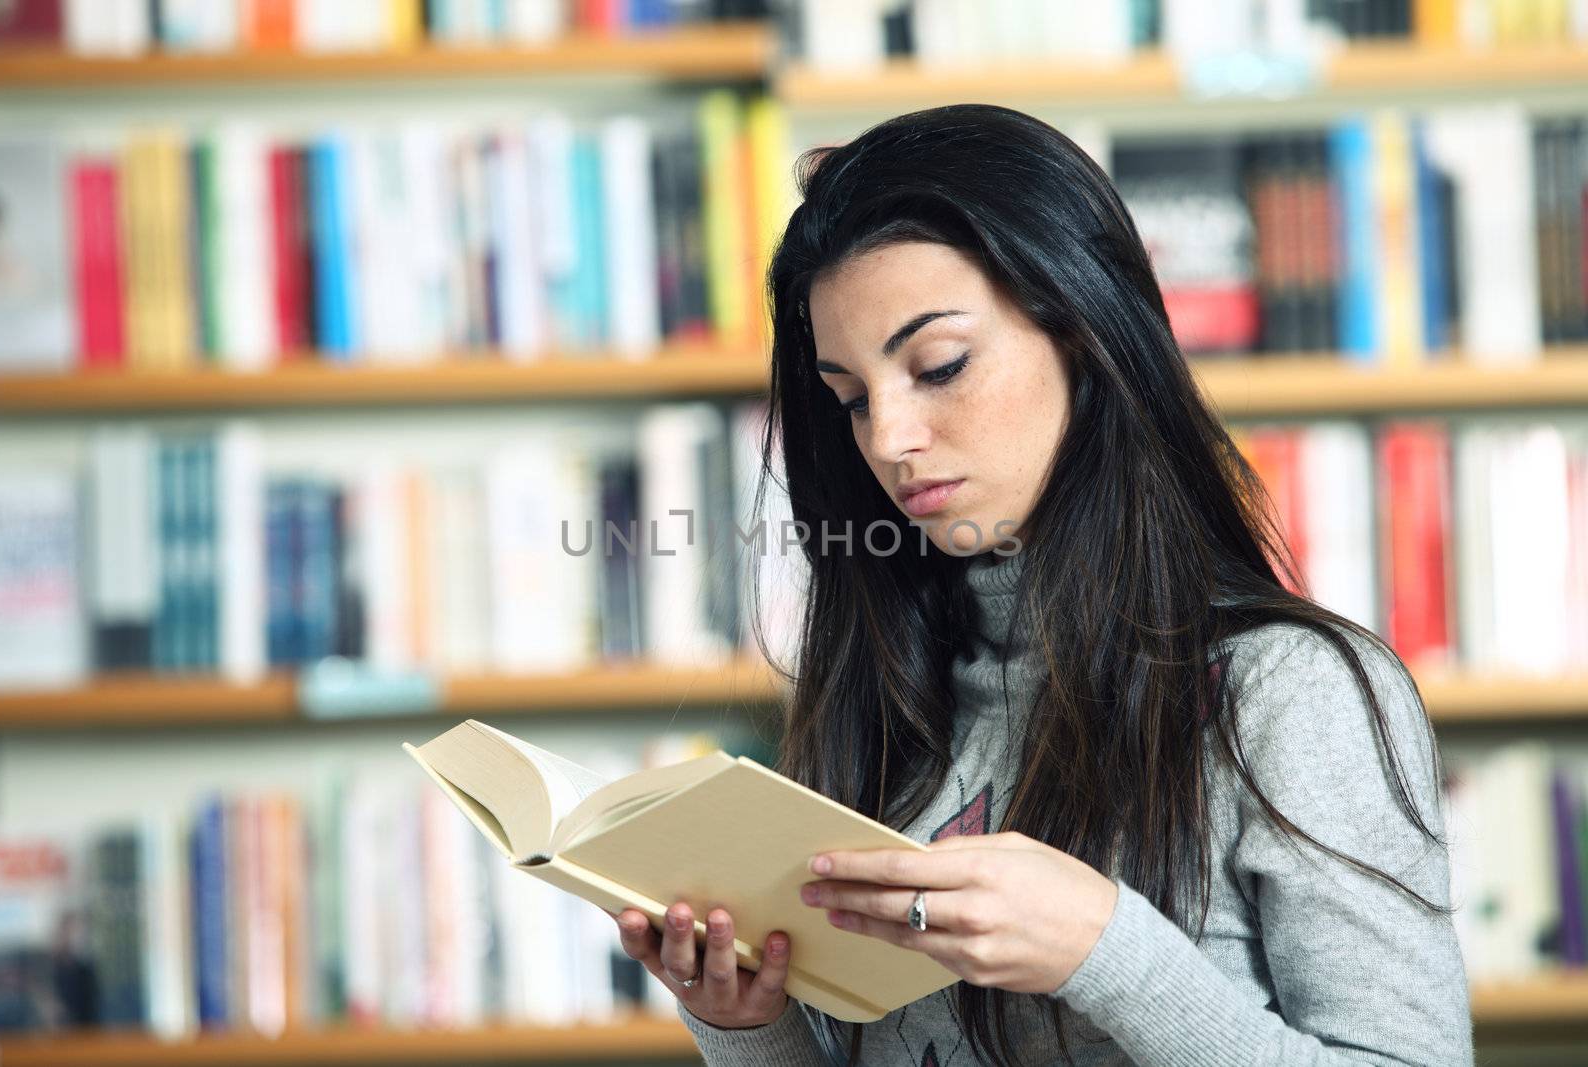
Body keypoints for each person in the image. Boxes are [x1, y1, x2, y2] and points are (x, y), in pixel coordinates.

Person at [609, 103, 1473, 1066]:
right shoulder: (884, 688)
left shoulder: (1289, 691)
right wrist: (749, 1024)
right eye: (851, 398)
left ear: (1085, 332)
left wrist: (1109, 952)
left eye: (938, 367)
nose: (887, 438)